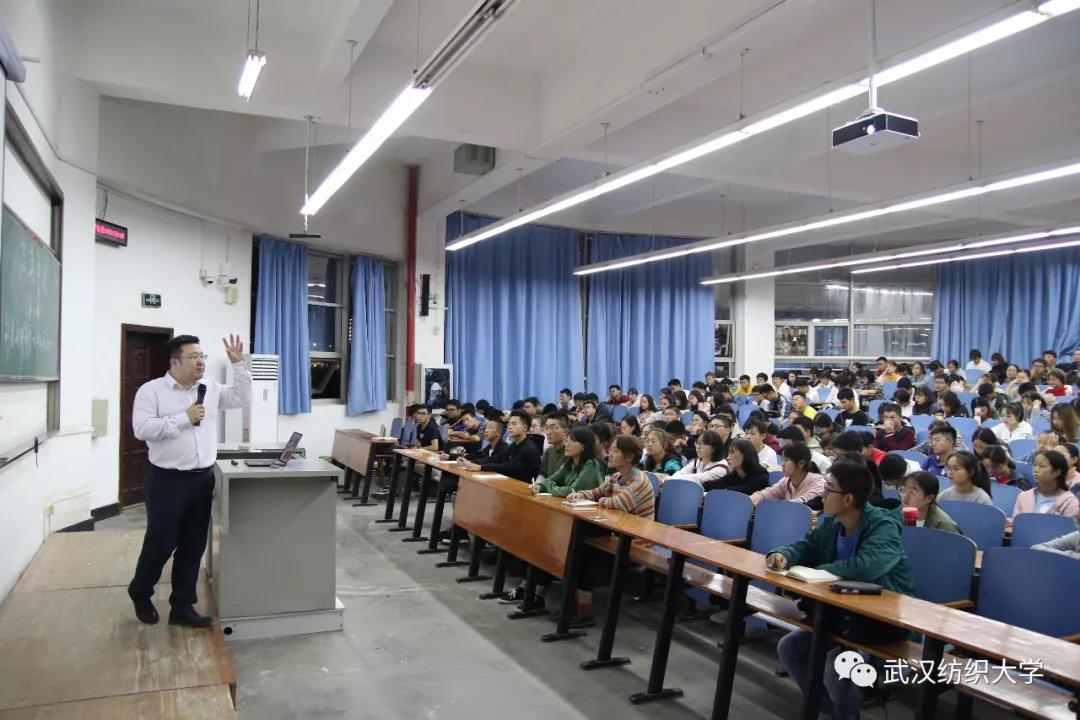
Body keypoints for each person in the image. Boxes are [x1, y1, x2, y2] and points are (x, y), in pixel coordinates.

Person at [770, 460, 914, 720]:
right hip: (839, 613)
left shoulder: (882, 526)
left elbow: (868, 566)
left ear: (848, 499)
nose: (823, 495)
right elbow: (806, 545)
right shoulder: (830, 522)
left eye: (829, 489)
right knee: (789, 648)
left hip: (880, 620)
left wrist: (820, 572)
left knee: (836, 666)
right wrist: (783, 554)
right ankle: (835, 713)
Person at [129, 333, 251, 627]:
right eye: (193, 357)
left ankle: (182, 606)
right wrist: (184, 418)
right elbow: (142, 429)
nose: (200, 362)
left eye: (202, 356)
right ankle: (140, 591)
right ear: (174, 362)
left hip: (202, 480)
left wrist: (238, 365)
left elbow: (242, 398)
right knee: (161, 543)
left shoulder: (209, 388)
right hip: (166, 481)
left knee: (193, 546)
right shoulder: (151, 391)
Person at [564, 435, 655, 626]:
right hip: (618, 536)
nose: (609, 454)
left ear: (629, 457)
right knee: (578, 548)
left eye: (615, 451)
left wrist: (601, 500)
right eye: (610, 450)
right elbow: (597, 492)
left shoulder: (639, 481)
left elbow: (619, 503)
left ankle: (584, 614)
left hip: (636, 542)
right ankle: (575, 607)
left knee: (589, 556)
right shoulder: (615, 477)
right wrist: (581, 495)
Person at [460, 410, 540, 482]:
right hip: (512, 483)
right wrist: (471, 463)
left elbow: (509, 466)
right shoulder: (513, 445)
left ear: (525, 428)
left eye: (514, 424)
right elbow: (496, 459)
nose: (510, 427)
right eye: (509, 424)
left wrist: (481, 467)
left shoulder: (529, 448)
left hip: (525, 487)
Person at [533, 427, 604, 498]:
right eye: (567, 441)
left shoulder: (591, 465)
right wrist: (539, 487)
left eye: (572, 441)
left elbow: (572, 491)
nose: (567, 444)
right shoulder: (570, 463)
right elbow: (550, 480)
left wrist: (549, 486)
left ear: (583, 447)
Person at [750, 442, 825, 508]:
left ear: (801, 463)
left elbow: (804, 503)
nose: (782, 465)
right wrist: (758, 496)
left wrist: (777, 505)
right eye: (782, 460)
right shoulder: (786, 481)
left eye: (786, 460)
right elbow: (771, 492)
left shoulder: (819, 482)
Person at [1013, 450, 1080, 519]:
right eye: (1034, 465)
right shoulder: (1023, 497)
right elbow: (1016, 523)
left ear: (1057, 472)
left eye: (1042, 466)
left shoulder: (1069, 503)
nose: (1035, 470)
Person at [538, 413, 569, 479]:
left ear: (565, 431)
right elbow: (543, 473)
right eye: (546, 428)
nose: (548, 432)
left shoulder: (570, 452)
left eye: (553, 428)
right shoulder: (549, 451)